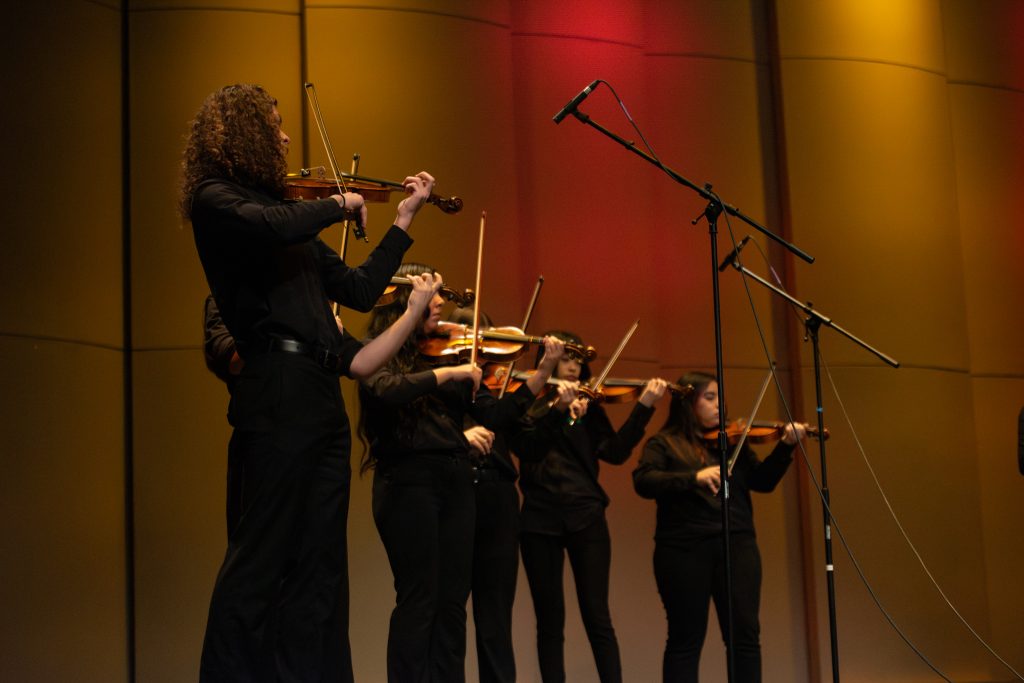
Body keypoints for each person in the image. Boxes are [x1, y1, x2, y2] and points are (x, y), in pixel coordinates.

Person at [181, 82, 438, 683]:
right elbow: (271, 223)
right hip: (275, 389)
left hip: (320, 398)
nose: (287, 137)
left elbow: (357, 289)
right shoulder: (216, 200)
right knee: (260, 562)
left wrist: (401, 221)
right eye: (275, 126)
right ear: (242, 132)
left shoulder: (297, 233)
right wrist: (339, 203)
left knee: (321, 569)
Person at [357, 264, 565, 683]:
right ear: (406, 300)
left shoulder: (453, 349)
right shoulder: (381, 351)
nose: (440, 302)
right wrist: (447, 375)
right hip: (407, 482)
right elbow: (384, 388)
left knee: (452, 604)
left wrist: (541, 375)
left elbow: (495, 414)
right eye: (433, 294)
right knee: (419, 599)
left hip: (455, 482)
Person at [513, 331, 668, 683]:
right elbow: (529, 448)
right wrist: (559, 412)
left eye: (578, 361)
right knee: (550, 621)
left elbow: (614, 453)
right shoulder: (528, 400)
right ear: (546, 360)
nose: (573, 366)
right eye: (566, 357)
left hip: (586, 514)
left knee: (597, 615)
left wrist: (643, 408)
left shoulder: (589, 404)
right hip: (539, 518)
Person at [632, 371, 807, 682]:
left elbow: (762, 482)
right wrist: (693, 478)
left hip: (736, 544)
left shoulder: (732, 441)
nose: (719, 406)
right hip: (684, 548)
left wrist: (785, 448)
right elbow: (644, 481)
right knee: (685, 639)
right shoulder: (664, 444)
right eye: (709, 398)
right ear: (689, 404)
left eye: (720, 399)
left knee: (745, 636)